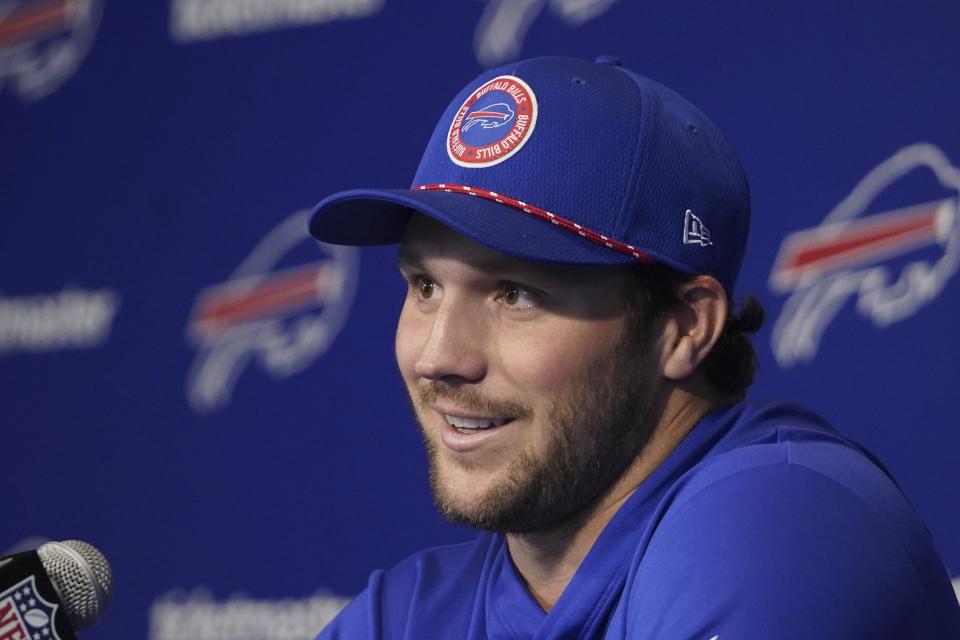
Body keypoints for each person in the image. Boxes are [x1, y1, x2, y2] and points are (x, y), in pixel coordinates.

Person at [308, 56, 960, 638]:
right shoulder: (407, 614)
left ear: (683, 327)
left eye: (516, 294)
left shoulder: (784, 526)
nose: (439, 355)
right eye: (424, 286)